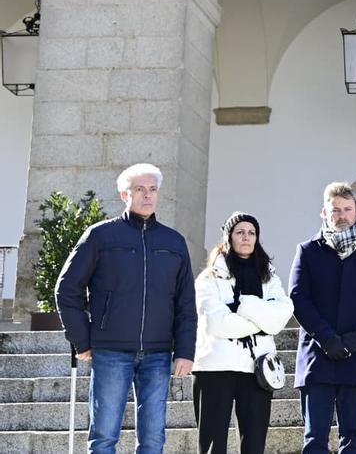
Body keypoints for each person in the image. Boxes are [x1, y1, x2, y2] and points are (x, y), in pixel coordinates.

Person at [55, 163, 197, 454]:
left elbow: (185, 302)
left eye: (153, 189)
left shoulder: (174, 242)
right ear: (124, 194)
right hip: (110, 352)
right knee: (104, 437)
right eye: (139, 189)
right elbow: (66, 289)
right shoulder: (100, 236)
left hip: (159, 354)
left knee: (153, 440)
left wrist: (185, 350)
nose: (147, 196)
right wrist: (82, 341)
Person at [290, 182, 356, 454]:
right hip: (317, 356)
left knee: (354, 438)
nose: (342, 215)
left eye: (348, 209)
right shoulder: (308, 250)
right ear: (324, 212)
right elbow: (299, 299)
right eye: (336, 210)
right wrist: (326, 338)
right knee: (314, 440)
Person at [193, 212, 294, 454]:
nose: (246, 237)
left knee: (254, 445)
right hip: (216, 367)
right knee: (212, 445)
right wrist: (262, 320)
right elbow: (217, 323)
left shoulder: (269, 276)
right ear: (229, 237)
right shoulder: (209, 278)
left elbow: (282, 315)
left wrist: (243, 307)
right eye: (240, 232)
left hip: (257, 368)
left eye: (251, 233)